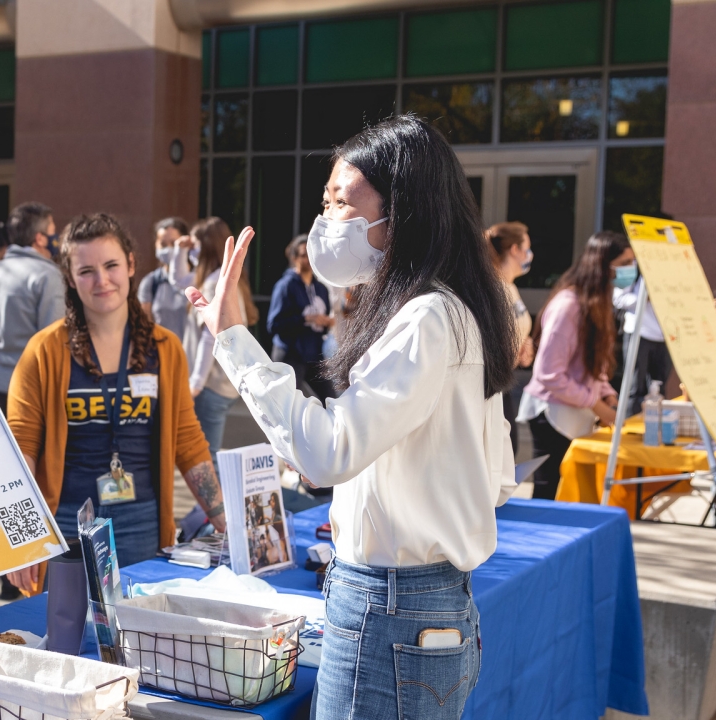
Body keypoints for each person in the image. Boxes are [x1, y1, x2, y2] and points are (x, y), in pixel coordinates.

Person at [184, 115, 517, 719]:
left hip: (393, 607)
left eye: (342, 201)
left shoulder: (426, 318)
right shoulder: (454, 310)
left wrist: (233, 336)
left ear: (403, 212)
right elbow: (495, 478)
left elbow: (327, 452)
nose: (327, 219)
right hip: (423, 606)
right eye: (325, 201)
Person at [4, 213, 225, 592]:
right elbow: (20, 447)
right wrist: (22, 536)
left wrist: (226, 522)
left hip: (142, 520)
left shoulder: (164, 350)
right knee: (66, 637)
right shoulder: (44, 351)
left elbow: (189, 445)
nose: (102, 280)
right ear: (70, 279)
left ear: (131, 266)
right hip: (65, 518)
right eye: (86, 270)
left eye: (111, 266)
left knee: (138, 634)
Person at [517, 231, 635, 501]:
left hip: (575, 412)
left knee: (571, 495)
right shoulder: (568, 306)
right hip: (552, 415)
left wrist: (606, 392)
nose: (631, 270)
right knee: (549, 493)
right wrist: (597, 404)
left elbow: (593, 363)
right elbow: (548, 374)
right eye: (625, 263)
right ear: (603, 265)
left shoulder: (597, 303)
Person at [170, 217, 258, 464]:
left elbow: (210, 338)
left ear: (207, 245)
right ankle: (212, 503)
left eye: (196, 244)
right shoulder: (220, 278)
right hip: (222, 383)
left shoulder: (212, 283)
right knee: (209, 454)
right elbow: (178, 282)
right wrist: (180, 250)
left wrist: (195, 385)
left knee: (207, 458)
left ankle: (215, 504)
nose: (193, 250)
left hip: (212, 384)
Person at [0, 202, 66, 410]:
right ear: (40, 238)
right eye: (53, 231)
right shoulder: (48, 276)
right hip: (33, 389)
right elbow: (53, 340)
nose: (57, 238)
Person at [486, 221, 536, 453]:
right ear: (515, 250)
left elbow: (516, 330)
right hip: (489, 386)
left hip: (505, 379)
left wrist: (524, 345)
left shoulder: (510, 287)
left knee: (507, 452)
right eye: (527, 247)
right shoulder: (492, 288)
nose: (530, 254)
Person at [267, 235, 335, 399]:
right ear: (294, 258)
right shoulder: (285, 286)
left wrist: (326, 322)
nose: (308, 260)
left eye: (311, 255)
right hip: (290, 354)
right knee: (286, 404)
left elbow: (322, 322)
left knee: (331, 399)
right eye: (304, 255)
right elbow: (273, 325)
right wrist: (305, 319)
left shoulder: (321, 289)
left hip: (314, 353)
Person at [614, 272, 672, 415]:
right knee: (634, 387)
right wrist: (646, 297)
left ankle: (655, 428)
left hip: (666, 335)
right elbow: (618, 299)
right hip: (639, 332)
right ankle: (629, 427)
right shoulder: (632, 269)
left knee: (660, 387)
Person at [137, 217, 192, 340]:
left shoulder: (198, 279)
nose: (168, 249)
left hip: (193, 355)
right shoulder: (151, 282)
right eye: (163, 244)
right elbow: (145, 324)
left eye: (173, 243)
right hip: (163, 353)